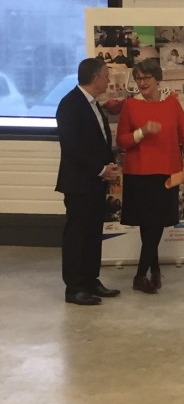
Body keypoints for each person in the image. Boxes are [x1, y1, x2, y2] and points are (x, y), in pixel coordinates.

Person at [116, 58, 184, 293]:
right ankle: (146, 273)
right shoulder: (130, 106)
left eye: (146, 78)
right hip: (139, 173)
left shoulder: (172, 104)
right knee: (148, 224)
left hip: (166, 172)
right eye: (138, 79)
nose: (142, 83)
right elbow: (122, 140)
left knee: (156, 223)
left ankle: (146, 273)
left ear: (157, 79)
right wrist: (141, 132)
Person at [55, 58, 121, 306]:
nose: (108, 80)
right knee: (77, 235)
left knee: (93, 233)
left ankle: (91, 280)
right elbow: (72, 146)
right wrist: (100, 169)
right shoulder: (70, 104)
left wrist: (109, 165)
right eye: (106, 75)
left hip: (95, 182)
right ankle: (74, 288)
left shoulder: (93, 104)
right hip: (78, 183)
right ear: (95, 78)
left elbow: (100, 141)